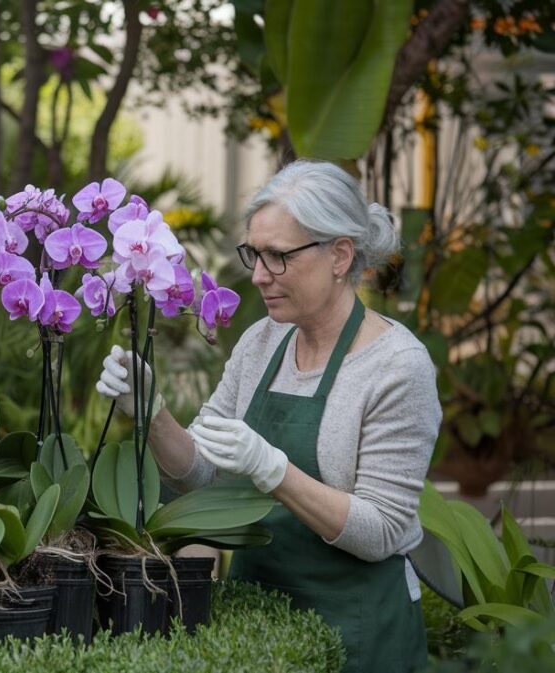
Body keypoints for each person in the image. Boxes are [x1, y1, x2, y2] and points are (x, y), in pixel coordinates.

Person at [96, 160, 440, 672]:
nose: (258, 275)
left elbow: (382, 531)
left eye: (278, 257)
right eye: (255, 254)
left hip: (361, 628)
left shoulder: (397, 367)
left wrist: (274, 471)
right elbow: (201, 473)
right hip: (259, 622)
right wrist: (153, 412)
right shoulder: (263, 342)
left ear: (340, 255)